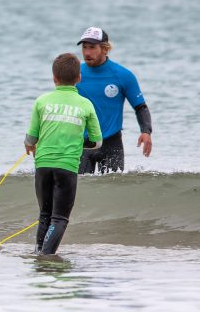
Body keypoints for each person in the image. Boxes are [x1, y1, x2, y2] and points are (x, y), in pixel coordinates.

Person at [24, 53, 102, 255]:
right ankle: (46, 257)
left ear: (53, 77)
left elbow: (31, 138)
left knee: (45, 215)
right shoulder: (86, 104)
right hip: (67, 167)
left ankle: (39, 253)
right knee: (59, 218)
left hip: (43, 165)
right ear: (79, 78)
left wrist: (30, 145)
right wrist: (75, 142)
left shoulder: (42, 101)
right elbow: (96, 142)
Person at [75, 27, 152, 173]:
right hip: (81, 143)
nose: (87, 52)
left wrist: (146, 131)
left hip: (112, 142)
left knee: (114, 188)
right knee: (80, 189)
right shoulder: (75, 74)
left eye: (92, 47)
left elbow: (140, 107)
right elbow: (60, 105)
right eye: (84, 47)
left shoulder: (123, 75)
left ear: (105, 49)